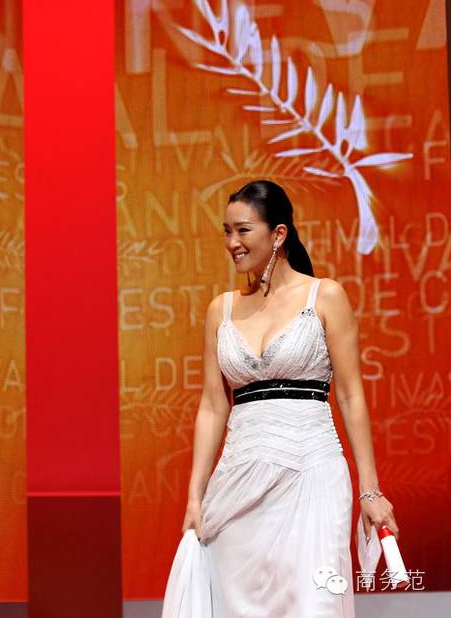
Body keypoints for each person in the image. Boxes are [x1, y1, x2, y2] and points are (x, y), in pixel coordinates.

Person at [161, 180, 400, 617]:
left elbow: (350, 396)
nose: (232, 243)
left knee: (315, 603)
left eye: (243, 230)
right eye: (226, 232)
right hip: (238, 483)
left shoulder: (325, 296)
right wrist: (195, 497)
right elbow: (213, 406)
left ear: (278, 234)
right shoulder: (221, 309)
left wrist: (370, 492)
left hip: (312, 474)